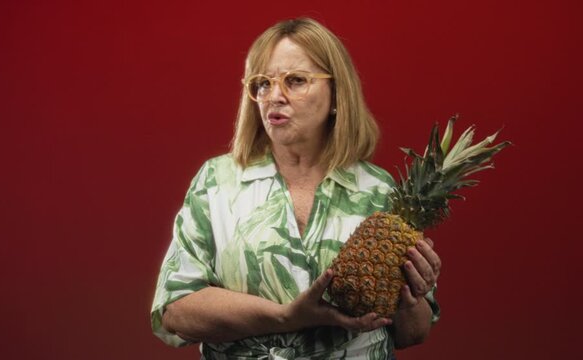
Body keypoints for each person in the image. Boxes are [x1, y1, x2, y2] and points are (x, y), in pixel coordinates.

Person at [151, 17, 442, 359]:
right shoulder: (217, 182)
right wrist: (285, 316)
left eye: (295, 81)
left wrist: (414, 296)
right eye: (262, 83)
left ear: (337, 95)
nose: (274, 96)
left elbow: (413, 333)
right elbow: (175, 310)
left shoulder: (380, 191)